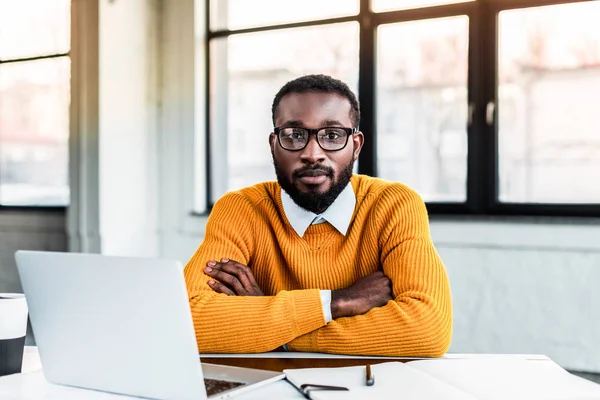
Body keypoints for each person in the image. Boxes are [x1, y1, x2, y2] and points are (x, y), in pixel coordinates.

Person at [184, 74, 452, 356]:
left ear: (356, 145)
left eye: (332, 136)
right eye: (295, 135)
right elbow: (186, 319)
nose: (313, 153)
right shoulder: (241, 209)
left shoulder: (394, 205)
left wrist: (275, 332)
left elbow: (427, 329)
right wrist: (337, 302)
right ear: (274, 144)